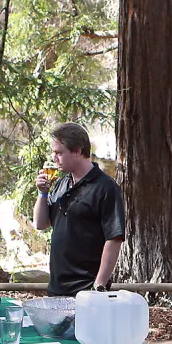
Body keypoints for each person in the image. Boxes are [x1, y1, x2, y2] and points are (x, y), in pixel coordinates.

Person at [32, 123, 126, 296]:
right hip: (57, 288)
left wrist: (99, 286)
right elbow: (40, 223)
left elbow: (114, 238)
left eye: (59, 153)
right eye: (53, 153)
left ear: (77, 150)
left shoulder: (105, 187)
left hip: (87, 290)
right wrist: (42, 194)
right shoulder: (61, 184)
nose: (54, 159)